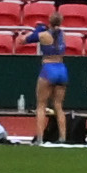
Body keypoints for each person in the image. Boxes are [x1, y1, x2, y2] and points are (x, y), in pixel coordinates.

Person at [27, 13, 73, 144]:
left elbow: (23, 40)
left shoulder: (43, 35)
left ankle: (40, 138)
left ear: (49, 21)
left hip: (49, 68)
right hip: (61, 68)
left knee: (41, 105)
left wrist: (37, 30)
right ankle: (63, 137)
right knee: (58, 106)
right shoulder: (62, 34)